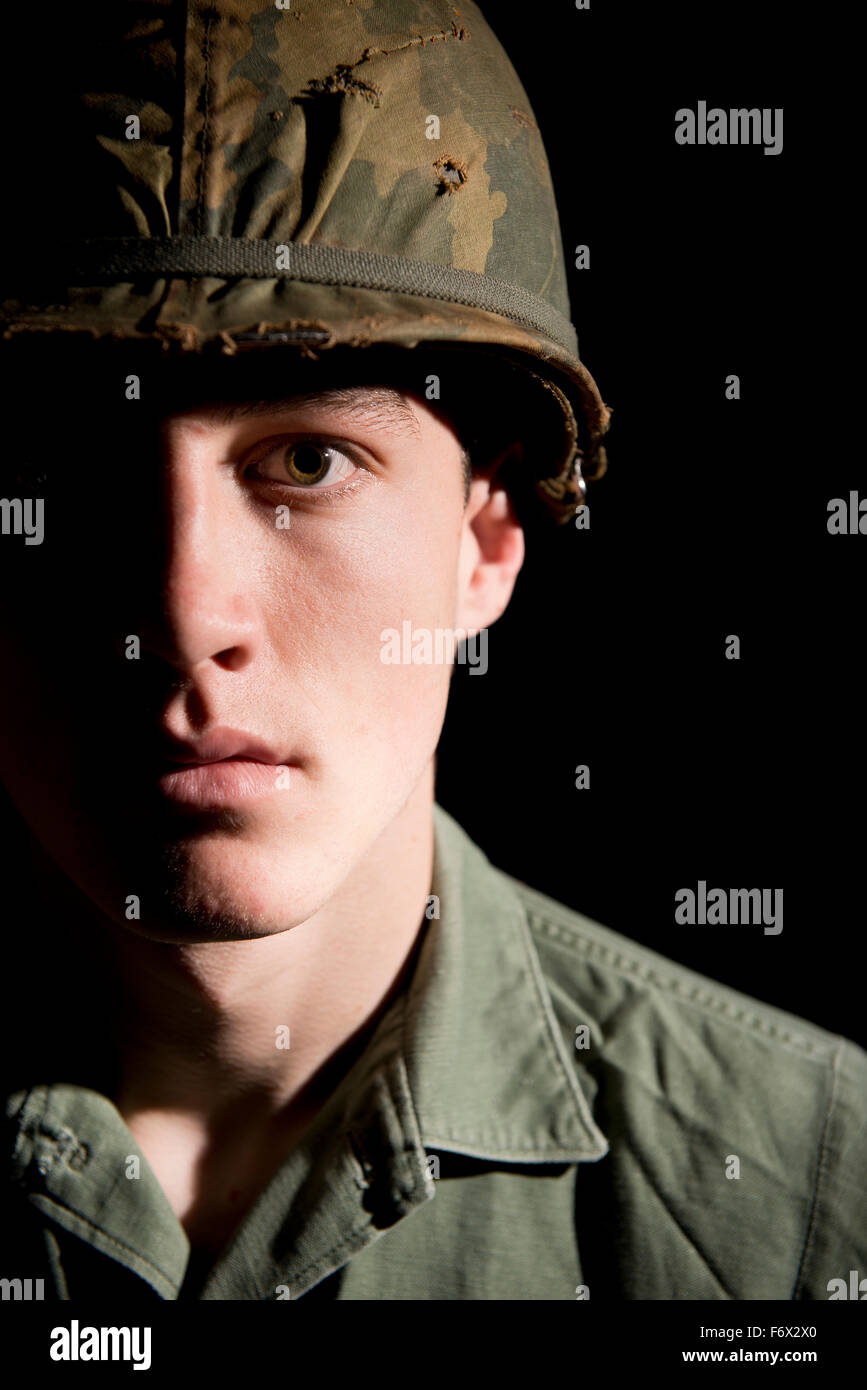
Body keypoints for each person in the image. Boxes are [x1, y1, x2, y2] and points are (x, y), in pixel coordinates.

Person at [1, 0, 864, 1303]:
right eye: (74, 472)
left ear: (487, 541)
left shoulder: (805, 1201)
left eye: (306, 460)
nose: (186, 613)